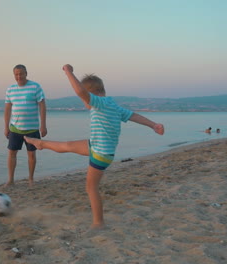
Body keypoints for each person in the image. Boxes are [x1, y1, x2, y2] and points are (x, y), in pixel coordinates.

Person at [24, 64, 164, 229]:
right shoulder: (113, 105)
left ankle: (99, 222)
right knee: (67, 145)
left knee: (91, 188)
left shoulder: (100, 103)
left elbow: (80, 92)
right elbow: (133, 115)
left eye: (84, 100)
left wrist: (69, 72)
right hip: (97, 146)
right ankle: (41, 144)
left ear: (91, 95)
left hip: (100, 154)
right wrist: (153, 125)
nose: (84, 103)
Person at [4, 64, 47, 187]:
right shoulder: (10, 89)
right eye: (16, 74)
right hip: (15, 128)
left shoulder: (35, 87)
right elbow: (7, 109)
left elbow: (42, 105)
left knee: (32, 154)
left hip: (32, 128)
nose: (19, 76)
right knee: (12, 153)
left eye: (21, 73)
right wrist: (6, 126)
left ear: (26, 73)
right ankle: (11, 180)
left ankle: (31, 179)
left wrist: (43, 125)